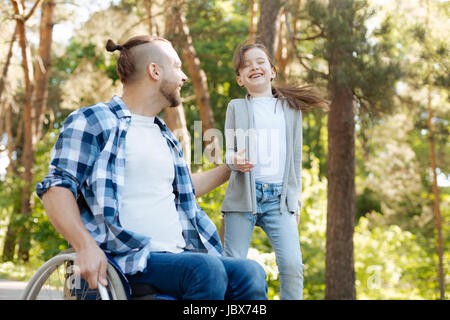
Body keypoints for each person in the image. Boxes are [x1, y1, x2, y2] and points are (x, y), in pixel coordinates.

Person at [36, 35, 267, 300]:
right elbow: (56, 188)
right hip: (123, 261)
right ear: (154, 70)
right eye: (177, 67)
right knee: (207, 269)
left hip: (177, 261)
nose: (184, 77)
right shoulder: (94, 120)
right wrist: (85, 245)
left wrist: (230, 167)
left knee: (250, 272)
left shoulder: (164, 135)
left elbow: (184, 189)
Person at [221, 41, 328, 300]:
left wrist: (295, 202)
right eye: (246, 66)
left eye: (260, 62)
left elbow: (294, 159)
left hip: (279, 200)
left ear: (272, 71)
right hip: (243, 197)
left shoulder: (290, 109)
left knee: (292, 266)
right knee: (232, 264)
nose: (254, 67)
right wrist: (233, 159)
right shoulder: (237, 106)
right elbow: (229, 151)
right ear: (240, 79)